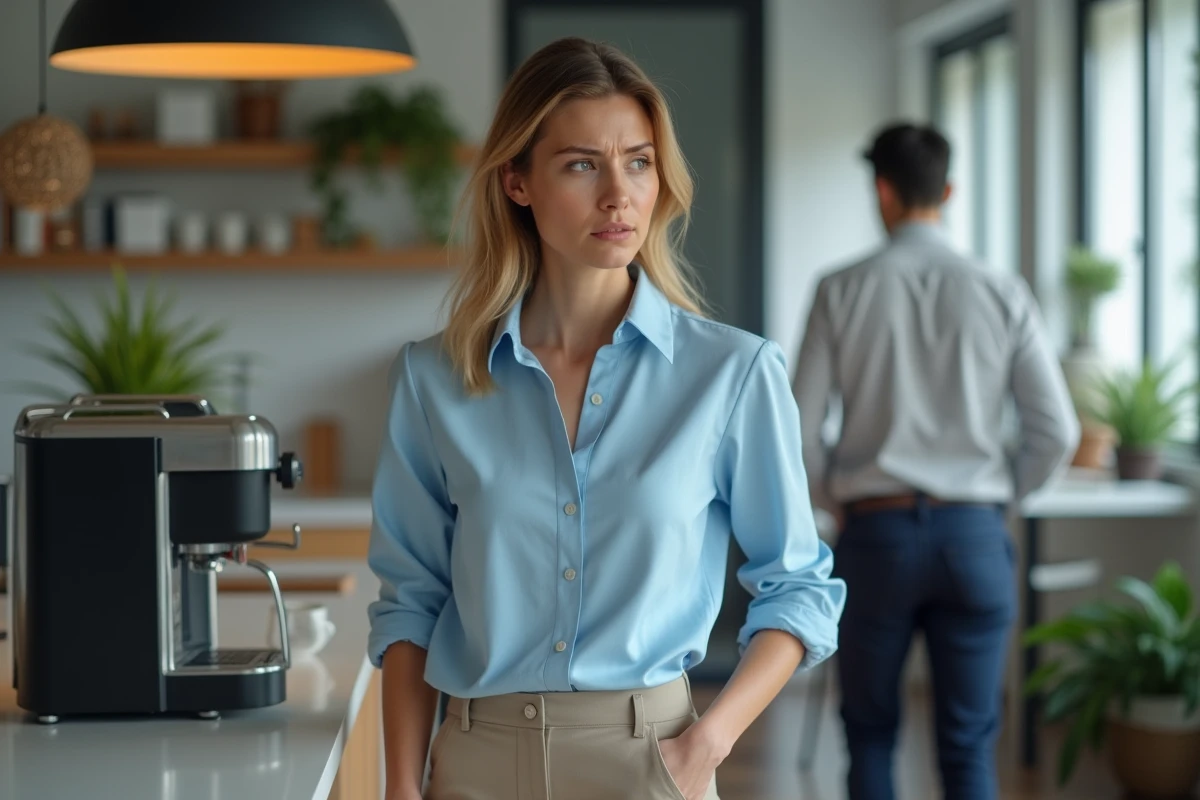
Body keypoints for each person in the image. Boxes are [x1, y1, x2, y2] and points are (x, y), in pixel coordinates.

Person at [366, 37, 845, 800]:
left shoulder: (732, 374)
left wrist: (707, 746)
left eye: (639, 162)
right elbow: (410, 602)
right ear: (518, 181)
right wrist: (399, 788)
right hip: (475, 764)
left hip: (650, 763)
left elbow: (798, 587)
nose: (619, 194)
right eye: (582, 165)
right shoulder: (434, 380)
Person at [792, 122, 1079, 800]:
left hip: (875, 535)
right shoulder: (1002, 290)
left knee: (869, 734)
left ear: (882, 191)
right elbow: (1057, 432)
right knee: (969, 743)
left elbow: (797, 430)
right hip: (974, 536)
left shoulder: (839, 288)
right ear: (948, 192)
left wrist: (836, 499)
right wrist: (998, 500)